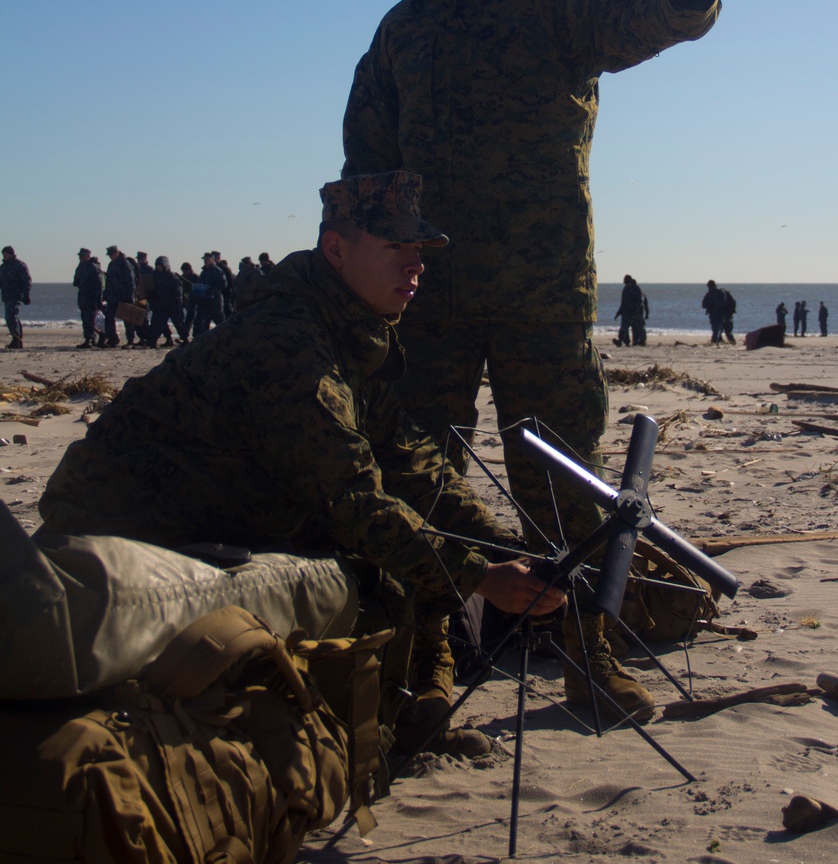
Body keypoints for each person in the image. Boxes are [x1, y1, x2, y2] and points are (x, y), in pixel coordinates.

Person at [342, 0, 745, 711]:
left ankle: (587, 658)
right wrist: (354, 282)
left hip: (543, 291)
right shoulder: (398, 35)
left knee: (563, 479)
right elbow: (366, 167)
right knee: (423, 472)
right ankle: (436, 656)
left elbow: (645, 15)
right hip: (429, 300)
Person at [38, 174, 565, 755]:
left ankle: (415, 699)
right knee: (373, 573)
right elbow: (352, 500)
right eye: (396, 248)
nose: (416, 266)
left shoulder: (349, 331)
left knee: (409, 548)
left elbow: (413, 462)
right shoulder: (289, 341)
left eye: (419, 251)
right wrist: (481, 578)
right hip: (119, 555)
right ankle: (383, 721)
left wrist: (503, 546)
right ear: (336, 249)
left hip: (207, 527)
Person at [147, 257, 188, 348]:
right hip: (162, 305)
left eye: (160, 266)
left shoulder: (172, 276)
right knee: (158, 324)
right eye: (157, 266)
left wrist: (178, 302)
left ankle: (185, 340)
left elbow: (178, 290)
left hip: (173, 305)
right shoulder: (156, 276)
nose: (159, 268)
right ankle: (153, 341)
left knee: (179, 324)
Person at [103, 246, 136, 349]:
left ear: (117, 253)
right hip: (112, 297)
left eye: (111, 254)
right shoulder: (111, 264)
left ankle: (131, 340)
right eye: (109, 255)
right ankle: (113, 339)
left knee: (127, 320)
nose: (110, 257)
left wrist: (130, 296)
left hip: (124, 297)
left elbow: (131, 281)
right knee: (108, 318)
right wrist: (106, 295)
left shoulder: (125, 263)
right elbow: (108, 281)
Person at [0, 247, 31, 351]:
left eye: (5, 254)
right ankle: (16, 339)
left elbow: (26, 280)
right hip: (6, 296)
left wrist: (26, 293)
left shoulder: (19, 265)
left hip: (16, 295)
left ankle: (17, 339)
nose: (3, 256)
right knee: (9, 318)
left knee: (11, 316)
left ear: (10, 254)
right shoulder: (3, 267)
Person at [72, 248, 104, 347]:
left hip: (91, 298)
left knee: (90, 320)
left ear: (88, 256)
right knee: (86, 320)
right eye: (80, 256)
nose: (81, 258)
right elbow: (76, 281)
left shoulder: (93, 268)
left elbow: (99, 285)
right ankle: (91, 339)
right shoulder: (80, 267)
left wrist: (99, 299)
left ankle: (89, 339)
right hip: (83, 298)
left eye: (83, 256)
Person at [193, 252, 226, 337]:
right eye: (204, 259)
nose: (205, 261)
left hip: (215, 301)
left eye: (207, 259)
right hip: (204, 301)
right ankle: (198, 339)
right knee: (199, 321)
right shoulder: (204, 272)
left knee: (220, 321)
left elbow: (223, 284)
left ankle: (226, 336)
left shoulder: (217, 271)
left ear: (212, 260)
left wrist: (212, 290)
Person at [614, 275, 647, 346]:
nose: (626, 284)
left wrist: (637, 311)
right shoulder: (625, 289)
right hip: (626, 312)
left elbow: (640, 302)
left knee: (637, 328)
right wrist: (618, 313)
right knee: (624, 327)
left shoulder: (637, 289)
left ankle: (638, 342)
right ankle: (622, 341)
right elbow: (622, 303)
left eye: (627, 283)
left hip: (636, 312)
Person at [701, 280, 727, 345]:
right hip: (712, 314)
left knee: (717, 329)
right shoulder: (709, 294)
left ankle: (715, 341)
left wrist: (716, 305)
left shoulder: (719, 292)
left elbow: (723, 302)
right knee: (715, 328)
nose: (710, 288)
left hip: (719, 313)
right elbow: (703, 304)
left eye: (710, 286)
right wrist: (709, 305)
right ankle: (715, 341)